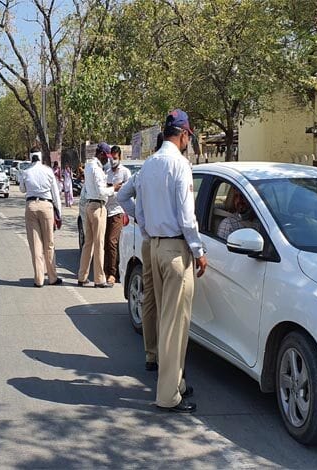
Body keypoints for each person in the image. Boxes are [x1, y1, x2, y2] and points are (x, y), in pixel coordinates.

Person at [136, 109, 208, 413]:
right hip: (177, 250)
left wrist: (151, 232)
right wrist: (199, 249)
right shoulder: (180, 165)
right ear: (184, 135)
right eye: (189, 137)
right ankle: (168, 396)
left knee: (168, 319)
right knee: (175, 324)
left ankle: (176, 382)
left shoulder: (148, 165)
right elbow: (187, 215)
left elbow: (139, 210)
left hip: (154, 246)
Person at [117, 135, 165, 371]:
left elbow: (121, 196)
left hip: (148, 241)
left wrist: (140, 220)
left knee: (149, 300)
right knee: (167, 303)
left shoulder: (144, 170)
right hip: (168, 243)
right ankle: (168, 359)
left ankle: (151, 354)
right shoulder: (174, 168)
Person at [20, 153, 63, 288]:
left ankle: (38, 279)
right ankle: (52, 277)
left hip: (31, 206)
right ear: (41, 157)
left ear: (30, 157)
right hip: (46, 206)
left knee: (35, 245)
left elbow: (22, 189)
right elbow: (55, 193)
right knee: (49, 243)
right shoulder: (48, 171)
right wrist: (59, 213)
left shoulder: (26, 171)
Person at [78, 142, 116, 288]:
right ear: (101, 154)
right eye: (106, 157)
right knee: (99, 243)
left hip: (89, 205)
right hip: (98, 207)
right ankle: (100, 279)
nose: (107, 160)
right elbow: (101, 191)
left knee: (88, 243)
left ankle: (82, 276)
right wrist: (113, 188)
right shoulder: (97, 169)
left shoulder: (88, 166)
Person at [103, 146, 131, 285]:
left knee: (112, 242)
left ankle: (112, 273)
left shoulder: (125, 172)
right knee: (105, 243)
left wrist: (114, 190)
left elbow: (127, 191)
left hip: (118, 211)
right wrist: (113, 188)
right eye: (110, 158)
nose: (112, 160)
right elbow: (103, 190)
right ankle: (105, 270)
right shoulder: (106, 172)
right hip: (105, 211)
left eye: (115, 158)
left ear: (120, 157)